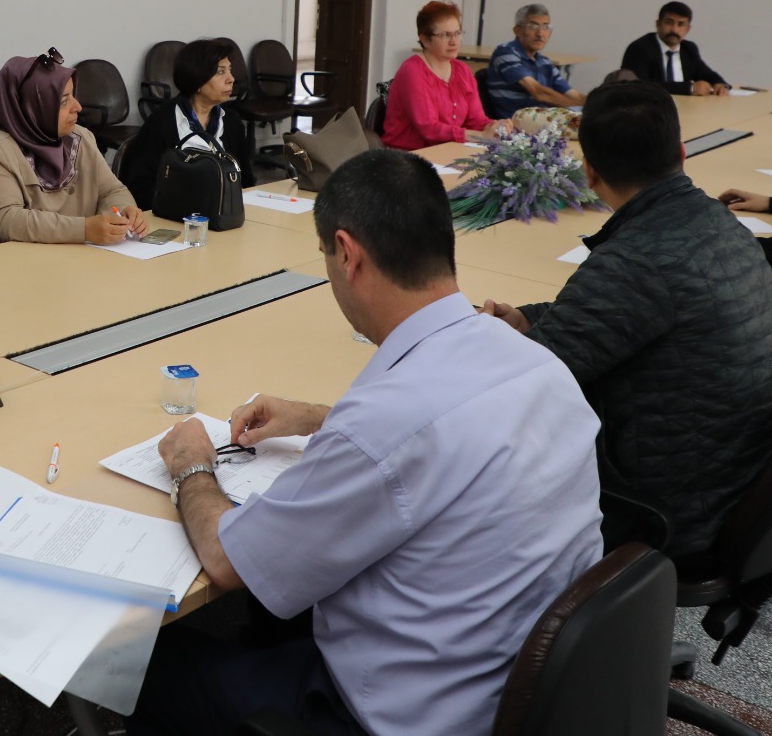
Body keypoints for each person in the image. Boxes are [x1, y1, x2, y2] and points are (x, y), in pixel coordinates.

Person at [130, 149, 602, 736]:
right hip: (517, 683)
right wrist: (316, 418)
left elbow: (228, 563)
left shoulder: (382, 424)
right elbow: (442, 431)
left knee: (139, 662)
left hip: (402, 715)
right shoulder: (537, 364)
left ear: (347, 254)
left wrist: (192, 466)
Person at [483, 81, 772, 556]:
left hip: (670, 514)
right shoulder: (719, 221)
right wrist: (530, 320)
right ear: (682, 153)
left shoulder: (635, 260)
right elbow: (626, 313)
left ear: (589, 172)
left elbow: (525, 384)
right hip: (737, 483)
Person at [0, 49, 149, 253]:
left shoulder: (80, 137)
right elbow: (6, 221)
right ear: (31, 108)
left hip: (53, 258)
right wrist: (85, 229)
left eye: (73, 96)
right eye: (64, 101)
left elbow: (112, 191)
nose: (77, 107)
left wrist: (123, 214)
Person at [118, 37, 256, 209]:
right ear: (197, 78)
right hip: (175, 215)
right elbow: (140, 190)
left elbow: (246, 182)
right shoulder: (161, 123)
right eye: (221, 72)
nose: (231, 79)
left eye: (230, 70)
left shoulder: (231, 122)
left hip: (224, 214)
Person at [381, 0, 509, 150]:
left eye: (457, 33)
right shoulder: (412, 71)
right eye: (445, 35)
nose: (454, 41)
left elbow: (475, 119)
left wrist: (494, 126)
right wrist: (480, 136)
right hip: (408, 154)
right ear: (425, 40)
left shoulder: (462, 70)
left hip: (448, 150)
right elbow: (429, 129)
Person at [484, 3, 586, 116]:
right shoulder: (505, 53)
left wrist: (595, 104)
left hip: (545, 119)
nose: (540, 34)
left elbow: (573, 94)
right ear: (517, 30)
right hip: (516, 122)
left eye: (546, 27)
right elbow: (539, 93)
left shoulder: (545, 62)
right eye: (533, 26)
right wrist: (582, 107)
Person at [619, 1, 730, 96]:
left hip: (686, 108)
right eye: (669, 23)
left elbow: (708, 75)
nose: (674, 30)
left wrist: (719, 85)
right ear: (658, 24)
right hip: (651, 109)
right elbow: (638, 86)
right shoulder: (640, 48)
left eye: (680, 24)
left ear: (688, 29)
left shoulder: (688, 49)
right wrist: (689, 88)